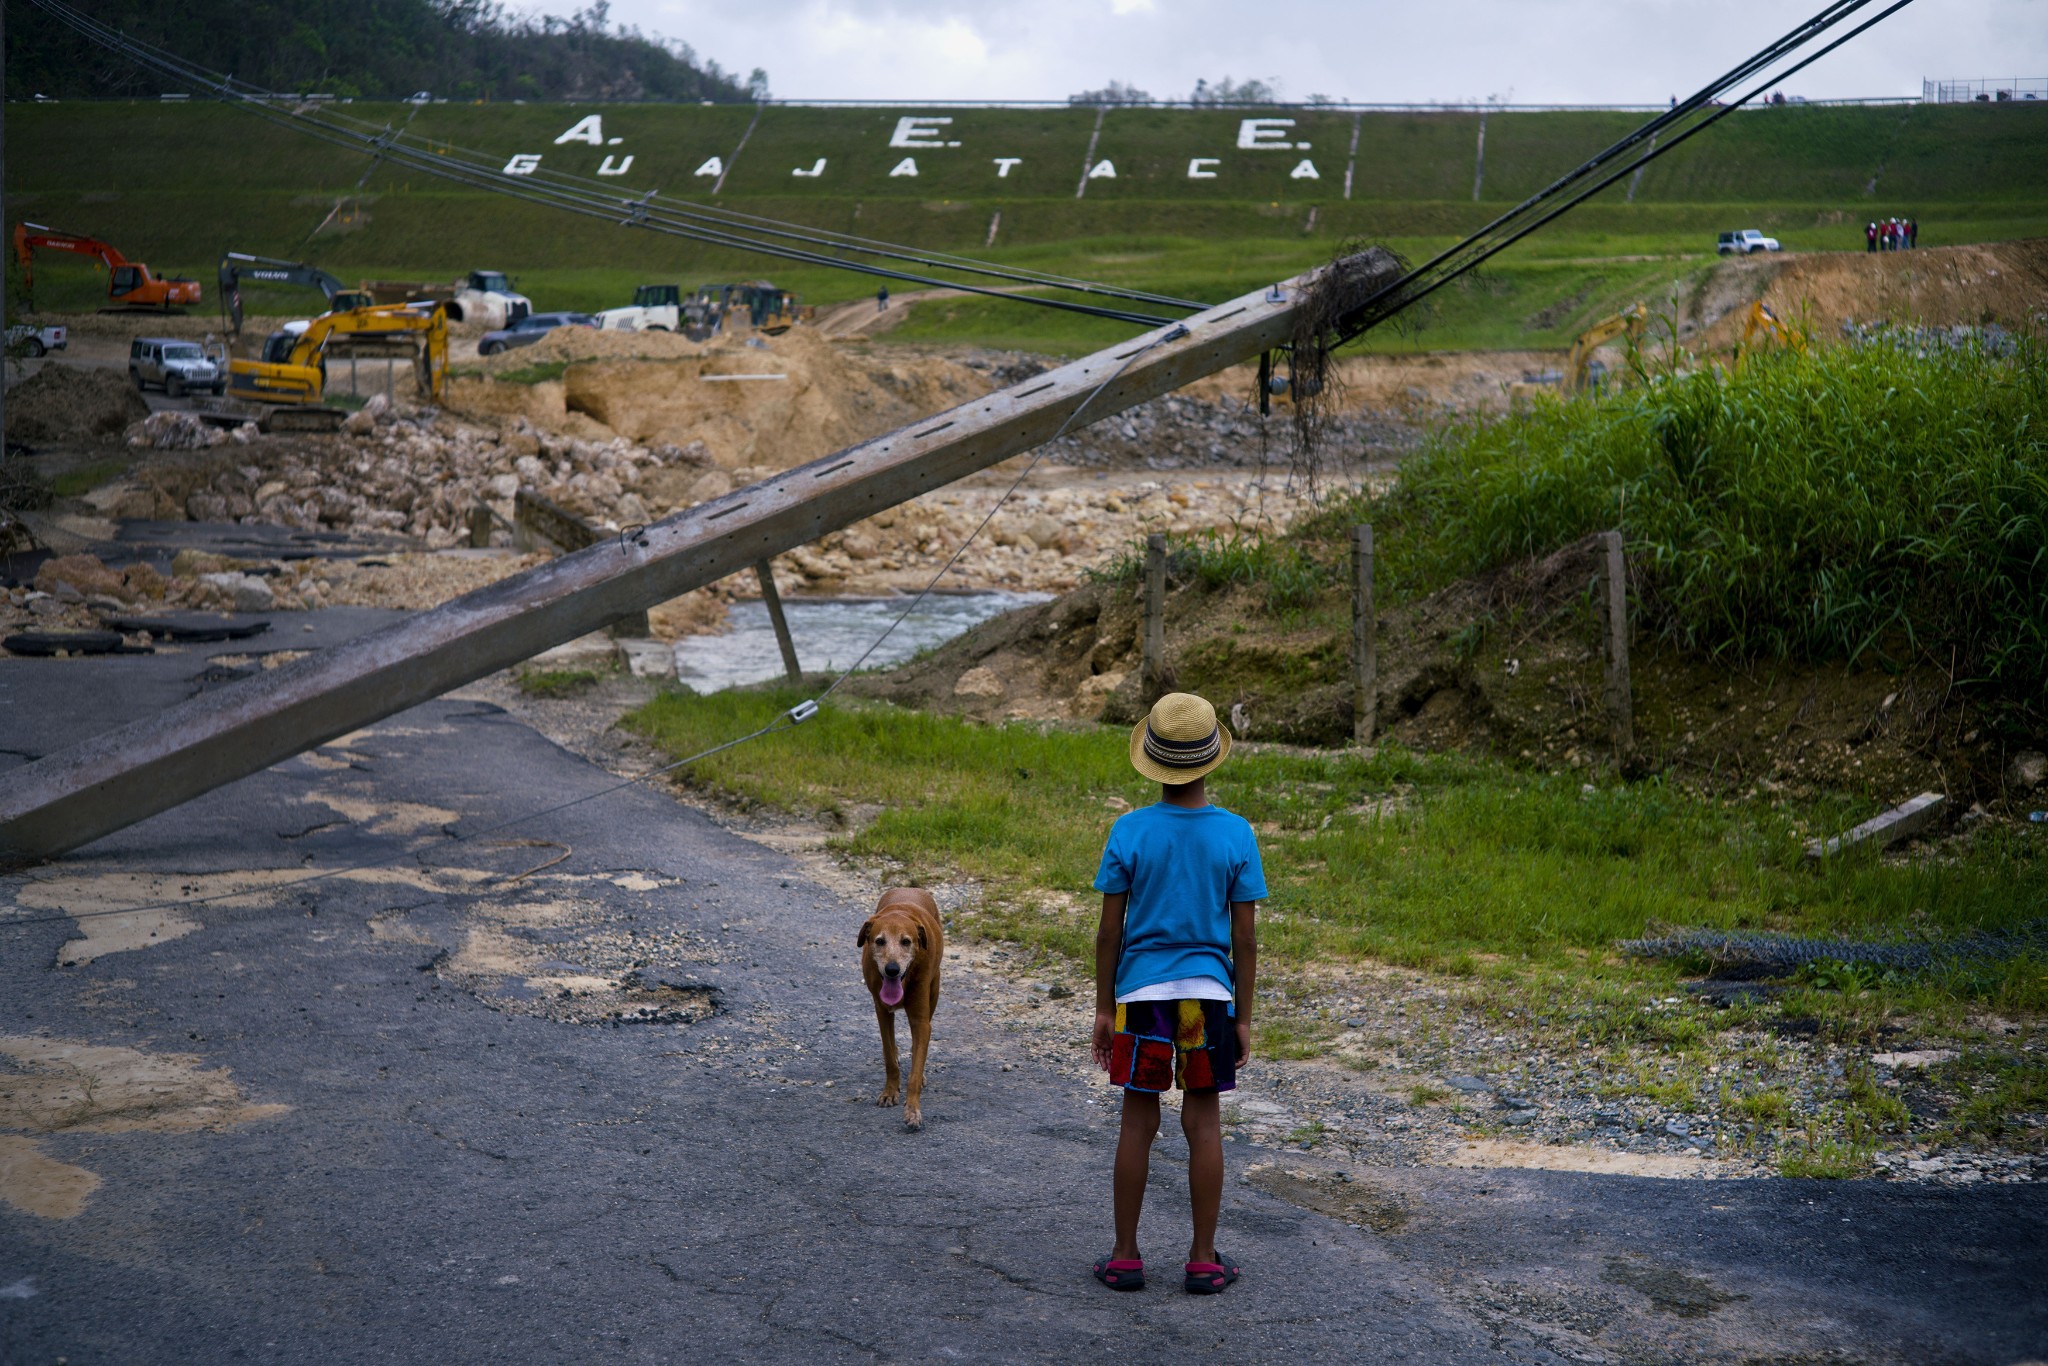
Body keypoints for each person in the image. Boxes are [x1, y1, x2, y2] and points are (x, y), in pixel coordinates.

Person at [1090, 692, 1264, 1297]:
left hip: (1142, 997)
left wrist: (1104, 1007)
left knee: (1138, 1123)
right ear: (1212, 759)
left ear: (1152, 761)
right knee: (1203, 1124)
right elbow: (1245, 939)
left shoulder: (1129, 830)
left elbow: (1109, 932)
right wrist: (1243, 1017)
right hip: (1208, 1000)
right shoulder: (1236, 834)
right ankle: (1203, 1260)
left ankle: (1124, 1257)